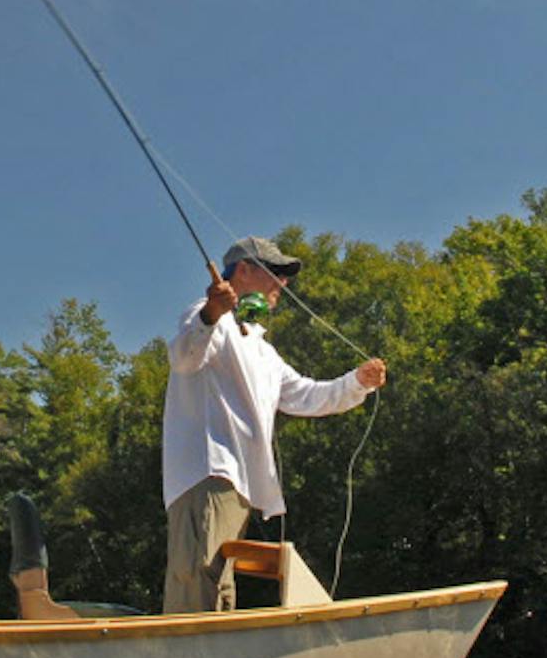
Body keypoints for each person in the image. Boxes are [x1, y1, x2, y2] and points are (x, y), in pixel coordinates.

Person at [161, 236, 386, 613]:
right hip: (208, 472)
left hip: (240, 485)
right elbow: (184, 357)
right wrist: (212, 314)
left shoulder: (262, 350)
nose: (284, 283)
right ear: (244, 271)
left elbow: (308, 396)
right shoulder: (204, 313)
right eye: (276, 272)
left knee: (219, 582)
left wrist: (356, 382)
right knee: (199, 577)